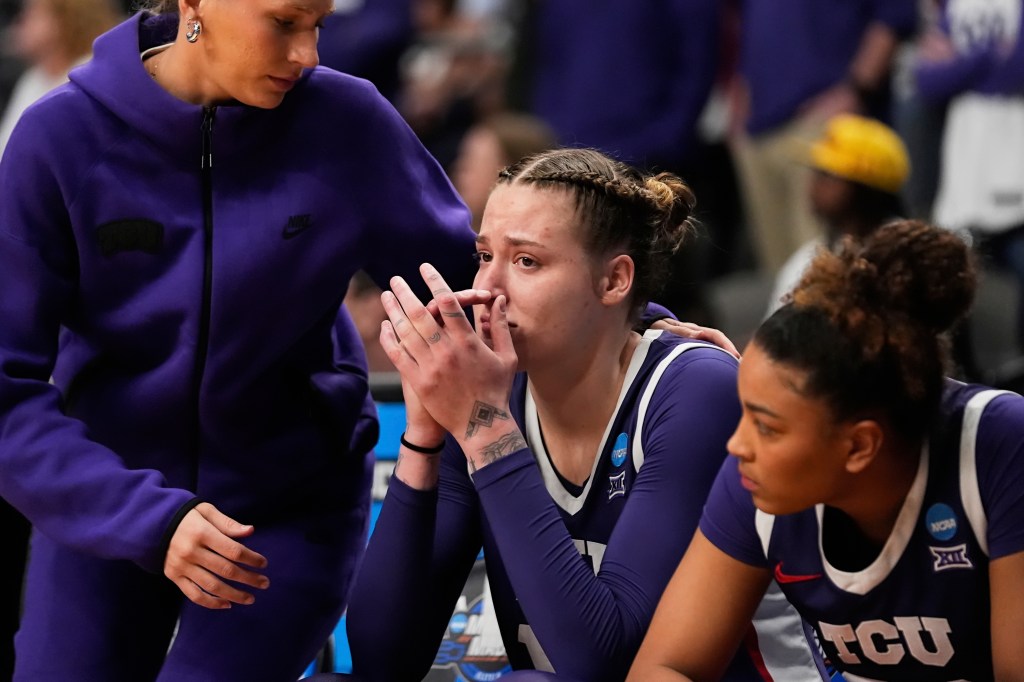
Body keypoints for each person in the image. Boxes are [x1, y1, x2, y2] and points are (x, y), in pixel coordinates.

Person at [0, 0, 481, 679]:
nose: (309, 54)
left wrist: (638, 325)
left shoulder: (349, 122)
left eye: (319, 24)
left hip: (287, 504)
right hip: (102, 495)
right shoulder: (58, 138)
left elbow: (473, 287)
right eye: (284, 23)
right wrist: (146, 519)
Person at [344, 148, 825, 681]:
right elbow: (380, 661)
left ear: (615, 280)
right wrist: (424, 433)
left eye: (527, 261)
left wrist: (487, 431)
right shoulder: (489, 397)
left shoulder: (694, 390)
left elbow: (602, 662)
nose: (488, 290)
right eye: (484, 256)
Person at [627, 219, 1024, 681]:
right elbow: (669, 665)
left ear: (859, 446)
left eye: (767, 428)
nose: (737, 445)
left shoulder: (997, 442)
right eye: (744, 414)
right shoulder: (755, 476)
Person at [728, 0, 917, 276]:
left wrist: (856, 90)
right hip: (758, 123)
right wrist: (740, 93)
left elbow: (894, 15)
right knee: (779, 274)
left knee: (823, 268)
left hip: (824, 121)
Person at [917, 0, 1024, 346]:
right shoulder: (958, 5)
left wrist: (959, 62)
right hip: (966, 164)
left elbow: (1017, 71)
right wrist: (990, 55)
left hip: (1014, 154)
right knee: (947, 281)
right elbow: (927, 81)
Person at [767, 113, 908, 315]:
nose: (813, 185)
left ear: (864, 188)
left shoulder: (907, 256)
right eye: (815, 172)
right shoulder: (803, 262)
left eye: (827, 174)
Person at [0, 0, 121, 154]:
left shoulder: (90, 79)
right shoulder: (33, 78)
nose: (21, 19)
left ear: (63, 21)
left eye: (33, 13)